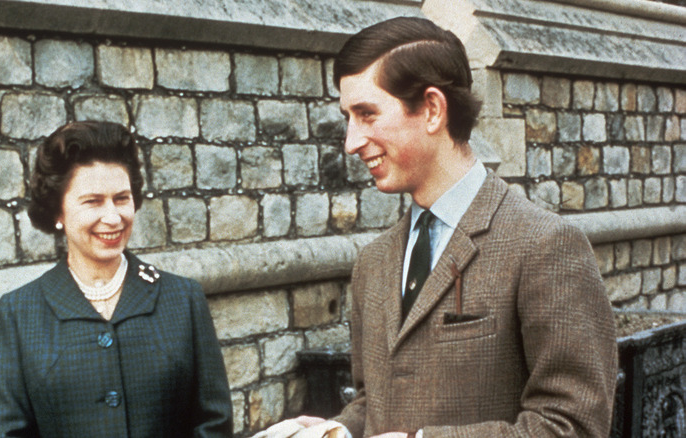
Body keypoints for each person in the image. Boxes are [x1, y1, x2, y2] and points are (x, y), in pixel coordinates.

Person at [256, 16, 617, 438]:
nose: (350, 142)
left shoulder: (545, 245)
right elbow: (377, 405)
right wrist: (335, 432)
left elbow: (573, 425)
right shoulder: (373, 263)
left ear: (432, 109)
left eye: (367, 114)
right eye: (347, 118)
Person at [0, 121, 233, 437]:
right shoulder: (20, 312)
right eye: (92, 201)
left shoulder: (183, 298)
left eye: (121, 198)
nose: (114, 217)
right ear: (58, 211)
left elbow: (213, 423)